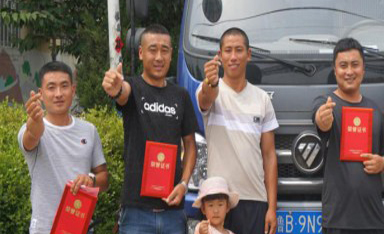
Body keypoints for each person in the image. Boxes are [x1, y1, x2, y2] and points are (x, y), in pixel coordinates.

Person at [102, 24, 198, 234]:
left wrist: (184, 184)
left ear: (171, 55)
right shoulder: (133, 87)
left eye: (165, 50)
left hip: (173, 213)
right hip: (136, 213)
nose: (159, 57)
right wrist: (116, 89)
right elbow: (122, 93)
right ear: (141, 53)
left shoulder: (181, 96)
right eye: (152, 50)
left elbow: (191, 146)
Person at [196, 27, 278, 234]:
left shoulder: (262, 99)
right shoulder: (209, 89)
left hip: (255, 200)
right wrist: (210, 82)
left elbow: (269, 155)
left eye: (239, 50)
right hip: (219, 201)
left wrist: (272, 207)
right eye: (228, 50)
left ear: (248, 54)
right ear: (220, 55)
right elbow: (206, 98)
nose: (233, 57)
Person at [312, 37, 384, 234]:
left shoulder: (375, 110)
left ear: (363, 69)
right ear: (335, 70)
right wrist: (323, 118)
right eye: (343, 66)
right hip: (338, 220)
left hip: (373, 219)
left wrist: (382, 163)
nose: (349, 71)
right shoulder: (326, 104)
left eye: (355, 65)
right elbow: (321, 121)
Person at [18, 61, 109, 234]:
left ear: (73, 90)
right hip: (44, 229)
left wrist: (91, 180)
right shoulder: (29, 129)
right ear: (41, 94)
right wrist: (35, 122)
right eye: (51, 87)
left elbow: (104, 179)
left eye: (64, 86)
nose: (58, 94)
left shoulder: (89, 130)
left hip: (81, 227)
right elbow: (32, 137)